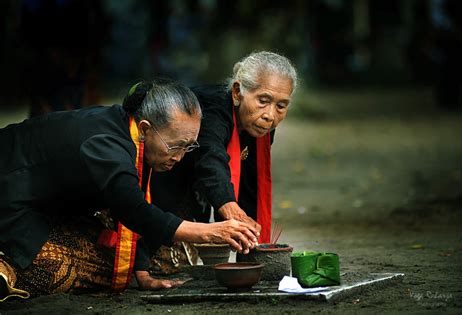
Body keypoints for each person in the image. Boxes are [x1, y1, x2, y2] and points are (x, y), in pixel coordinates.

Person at [0, 79, 259, 301]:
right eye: (175, 146)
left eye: (188, 147)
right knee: (70, 267)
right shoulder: (109, 146)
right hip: (12, 200)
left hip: (48, 205)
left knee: (156, 259)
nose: (179, 157)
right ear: (146, 128)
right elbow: (134, 210)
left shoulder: (134, 135)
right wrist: (209, 233)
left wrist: (142, 272)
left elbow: (135, 212)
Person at [150, 51, 297, 270]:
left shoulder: (259, 125)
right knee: (165, 265)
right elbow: (210, 157)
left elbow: (250, 182)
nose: (270, 115)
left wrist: (252, 243)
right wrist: (230, 209)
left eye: (281, 106)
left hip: (194, 189)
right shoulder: (212, 109)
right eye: (263, 101)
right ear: (237, 92)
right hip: (160, 181)